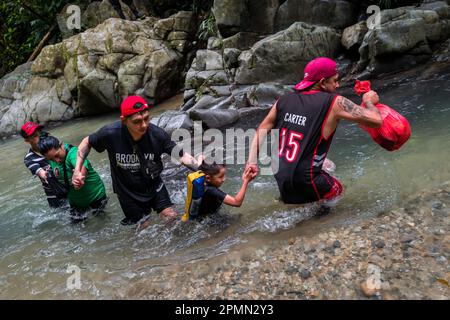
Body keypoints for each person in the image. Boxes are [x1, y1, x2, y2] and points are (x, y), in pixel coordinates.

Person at [247, 57, 382, 213]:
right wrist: (369, 100)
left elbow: (262, 129)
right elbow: (376, 121)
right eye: (335, 81)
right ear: (323, 82)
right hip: (305, 178)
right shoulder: (334, 102)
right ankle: (318, 224)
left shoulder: (284, 100)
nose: (337, 85)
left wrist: (252, 162)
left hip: (280, 173)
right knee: (338, 191)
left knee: (328, 164)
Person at [71, 95, 201, 226]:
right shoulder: (111, 133)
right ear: (124, 121)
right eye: (137, 121)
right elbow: (86, 142)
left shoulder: (157, 135)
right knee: (144, 227)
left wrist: (203, 169)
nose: (143, 125)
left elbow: (182, 155)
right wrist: (77, 169)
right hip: (127, 192)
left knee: (171, 217)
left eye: (146, 119)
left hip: (153, 184)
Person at [38, 135, 107, 222]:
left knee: (101, 222)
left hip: (95, 197)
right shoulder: (52, 159)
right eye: (51, 159)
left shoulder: (74, 153)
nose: (57, 160)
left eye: (57, 155)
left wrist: (79, 177)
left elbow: (82, 167)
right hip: (75, 202)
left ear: (62, 145)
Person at [20, 122, 67, 208]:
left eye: (39, 133)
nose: (39, 137)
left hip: (70, 185)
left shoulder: (53, 144)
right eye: (34, 136)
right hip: (55, 195)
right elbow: (43, 174)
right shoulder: (29, 158)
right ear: (27, 140)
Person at [190, 160, 255, 219]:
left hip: (205, 216)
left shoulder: (202, 181)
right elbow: (237, 202)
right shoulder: (211, 191)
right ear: (208, 178)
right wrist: (246, 181)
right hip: (208, 221)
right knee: (240, 218)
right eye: (220, 177)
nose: (224, 179)